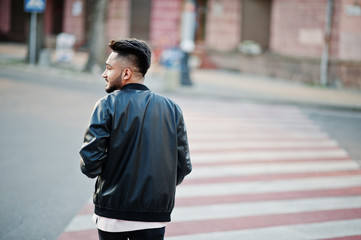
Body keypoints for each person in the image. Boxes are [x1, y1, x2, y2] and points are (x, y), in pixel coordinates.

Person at [79, 38, 192, 240]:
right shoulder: (172, 109)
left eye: (108, 68)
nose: (104, 74)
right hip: (155, 215)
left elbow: (90, 163)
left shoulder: (106, 105)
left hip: (112, 214)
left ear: (126, 73)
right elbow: (183, 166)